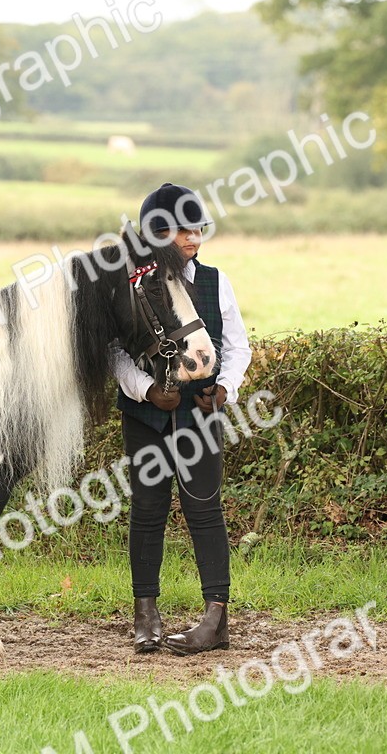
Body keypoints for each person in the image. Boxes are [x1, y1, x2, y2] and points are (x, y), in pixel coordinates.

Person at [110, 183, 252, 655]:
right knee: (147, 512)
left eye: (198, 228)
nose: (193, 238)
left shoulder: (216, 281)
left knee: (205, 511)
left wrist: (226, 388)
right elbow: (114, 352)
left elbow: (237, 346)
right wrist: (146, 390)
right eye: (180, 229)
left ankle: (216, 620)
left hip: (200, 415)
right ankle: (145, 614)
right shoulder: (129, 281)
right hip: (145, 416)